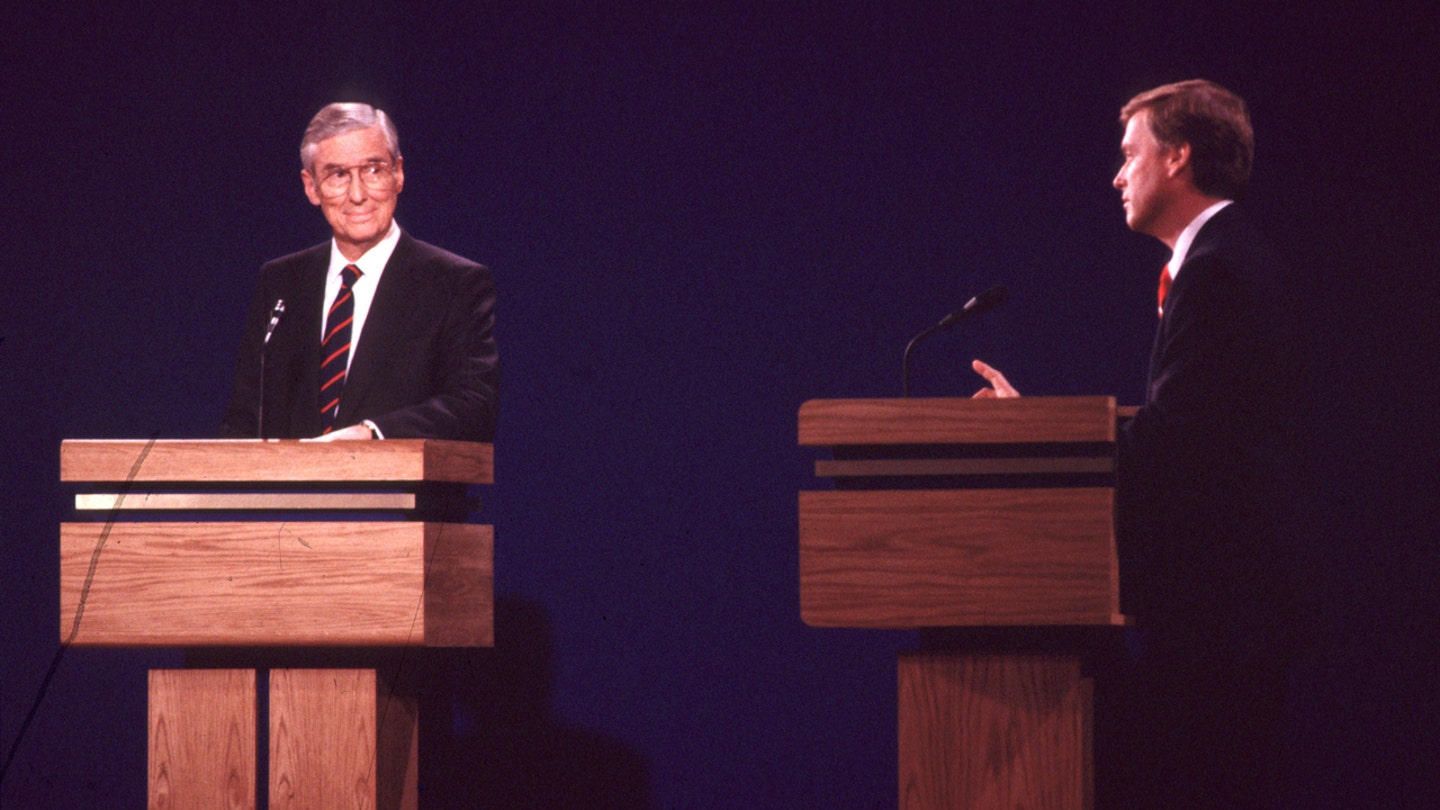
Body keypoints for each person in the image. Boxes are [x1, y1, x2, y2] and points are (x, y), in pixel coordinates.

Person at [972, 80, 1301, 807]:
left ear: (1179, 157)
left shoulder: (1218, 268)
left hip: (1221, 612)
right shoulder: (1221, 258)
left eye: (1131, 154)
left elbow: (1177, 439)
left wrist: (1038, 438)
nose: (1118, 174)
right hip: (1226, 604)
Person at [220, 102, 498, 441]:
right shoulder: (281, 282)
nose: (357, 195)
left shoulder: (454, 283)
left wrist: (373, 434)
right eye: (338, 175)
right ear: (311, 187)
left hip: (403, 492)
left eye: (373, 171)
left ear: (398, 174)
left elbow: (474, 406)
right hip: (287, 493)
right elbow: (246, 417)